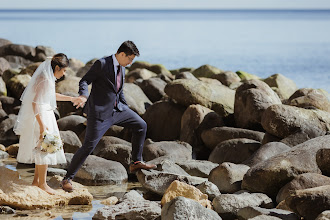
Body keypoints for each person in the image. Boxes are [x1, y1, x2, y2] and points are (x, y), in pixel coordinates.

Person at [61, 41, 156, 192]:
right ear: (122, 54)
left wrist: (126, 107)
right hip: (99, 113)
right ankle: (67, 179)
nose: (131, 63)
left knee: (141, 125)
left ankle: (136, 161)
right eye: (130, 59)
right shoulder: (102, 63)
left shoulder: (122, 68)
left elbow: (118, 90)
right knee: (88, 146)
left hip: (118, 110)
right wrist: (83, 96)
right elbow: (85, 80)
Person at [14, 53, 79, 195]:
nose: (64, 74)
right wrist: (42, 125)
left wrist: (70, 98)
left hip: (45, 115)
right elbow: (35, 103)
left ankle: (36, 182)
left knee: (42, 150)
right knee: (45, 150)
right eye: (63, 70)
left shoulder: (47, 78)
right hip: (41, 117)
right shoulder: (44, 79)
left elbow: (50, 95)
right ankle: (43, 184)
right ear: (56, 67)